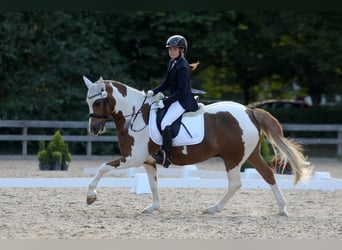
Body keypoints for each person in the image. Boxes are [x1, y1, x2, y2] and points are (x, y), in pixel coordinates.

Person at [146, 34, 198, 168]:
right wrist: (155, 91)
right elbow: (167, 83)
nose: (172, 51)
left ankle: (166, 156)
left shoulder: (183, 66)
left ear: (182, 50)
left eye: (175, 49)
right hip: (176, 97)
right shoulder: (172, 63)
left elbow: (182, 91)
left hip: (183, 100)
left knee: (165, 123)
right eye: (170, 49)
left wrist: (167, 101)